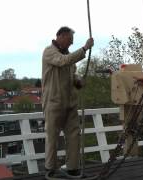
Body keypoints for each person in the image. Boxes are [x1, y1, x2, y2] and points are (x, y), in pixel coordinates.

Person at [42, 26, 94, 177]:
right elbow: (63, 62)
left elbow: (72, 73)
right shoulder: (49, 52)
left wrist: (78, 81)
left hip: (70, 103)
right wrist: (85, 48)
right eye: (70, 40)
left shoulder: (69, 55)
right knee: (52, 136)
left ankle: (72, 167)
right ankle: (50, 169)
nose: (71, 43)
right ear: (62, 36)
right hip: (54, 102)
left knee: (74, 135)